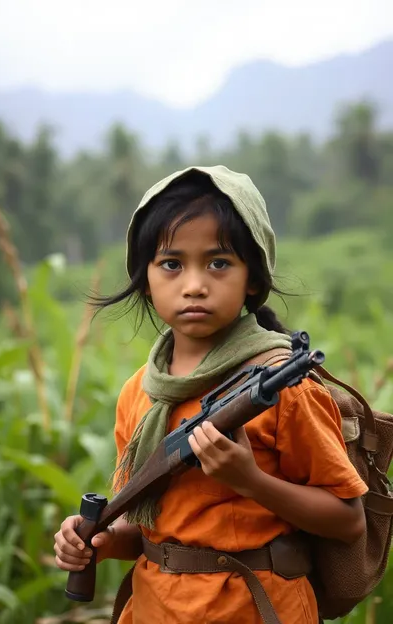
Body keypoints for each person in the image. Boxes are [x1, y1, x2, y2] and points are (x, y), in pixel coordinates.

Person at [54, 166, 368, 624]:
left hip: (257, 610)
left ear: (253, 280)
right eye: (172, 264)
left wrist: (251, 481)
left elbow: (348, 520)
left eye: (218, 263)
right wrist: (94, 543)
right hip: (155, 610)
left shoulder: (285, 385)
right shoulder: (140, 392)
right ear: (146, 279)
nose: (195, 284)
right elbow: (144, 528)